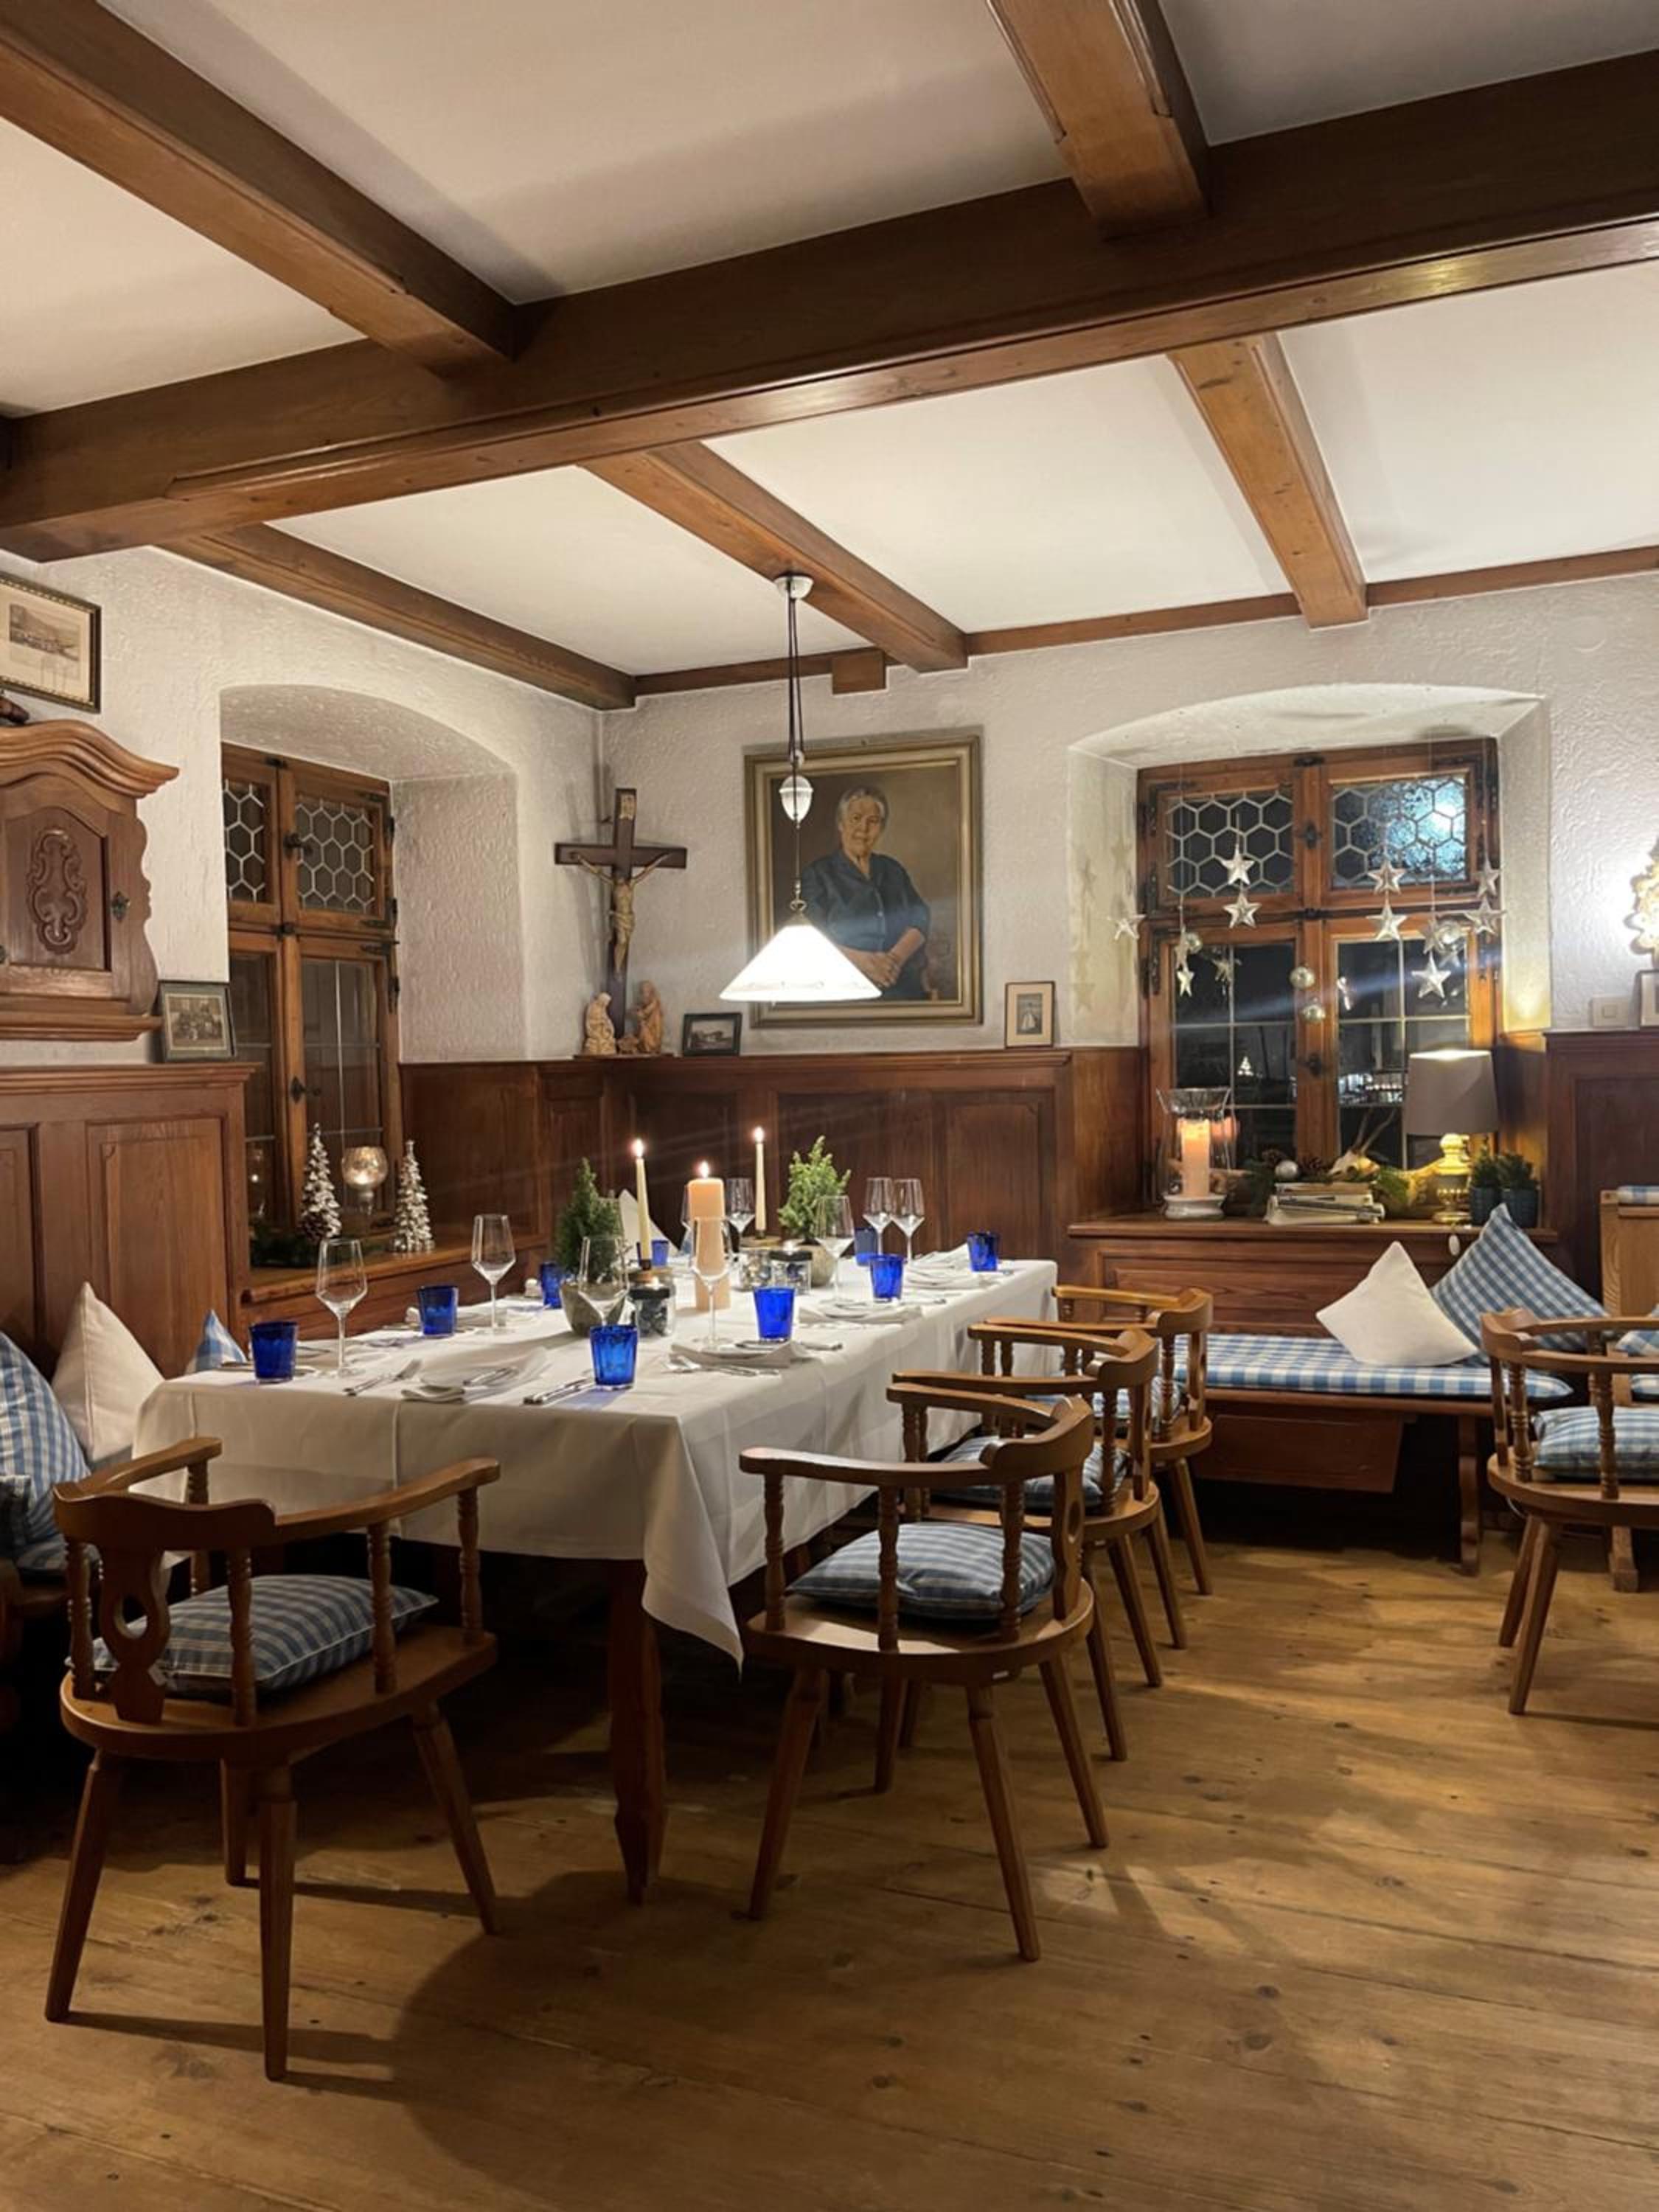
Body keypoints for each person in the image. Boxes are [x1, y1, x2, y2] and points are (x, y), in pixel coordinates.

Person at [799, 785, 931, 998]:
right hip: (844, 989)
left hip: (900, 985)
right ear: (840, 824)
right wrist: (865, 963)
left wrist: (894, 961)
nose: (864, 829)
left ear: (882, 828)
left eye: (873, 821)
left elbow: (921, 917)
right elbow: (810, 936)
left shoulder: (893, 869)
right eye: (856, 818)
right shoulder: (818, 874)